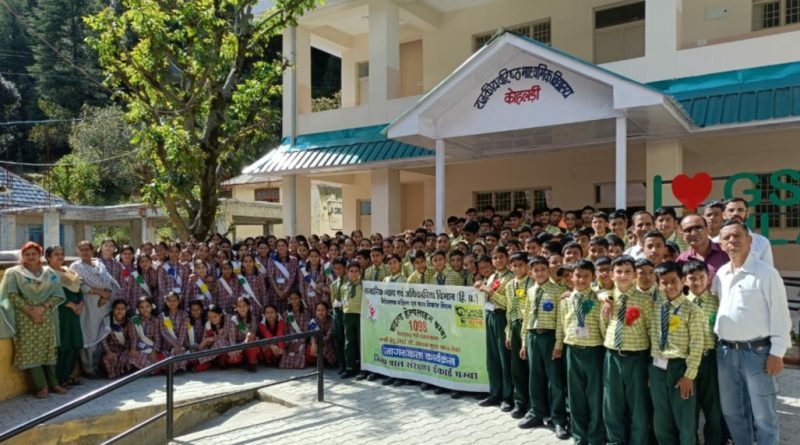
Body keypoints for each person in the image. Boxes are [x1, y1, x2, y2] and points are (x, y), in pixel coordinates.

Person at [713, 220, 791, 445]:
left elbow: (780, 313)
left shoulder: (766, 273)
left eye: (737, 236)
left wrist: (777, 352)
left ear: (749, 240)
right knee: (732, 412)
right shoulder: (721, 274)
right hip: (725, 353)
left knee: (763, 416)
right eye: (726, 238)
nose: (732, 241)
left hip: (757, 353)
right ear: (722, 245)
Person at [0, 242, 67, 399]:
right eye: (27, 254)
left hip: (45, 316)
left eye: (34, 254)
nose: (30, 257)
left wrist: (42, 308)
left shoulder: (49, 273)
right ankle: (41, 386)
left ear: (40, 256)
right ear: (22, 256)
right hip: (25, 318)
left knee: (48, 349)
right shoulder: (14, 273)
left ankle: (54, 383)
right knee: (30, 351)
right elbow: (12, 294)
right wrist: (30, 311)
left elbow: (58, 294)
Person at [649, 261, 704, 445]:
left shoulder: (692, 310)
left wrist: (689, 376)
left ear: (683, 281)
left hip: (680, 368)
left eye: (673, 281)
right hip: (657, 367)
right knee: (661, 419)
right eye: (664, 282)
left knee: (685, 419)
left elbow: (697, 345)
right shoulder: (655, 306)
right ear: (658, 284)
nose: (669, 286)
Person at [602, 255, 653, 445]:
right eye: (619, 272)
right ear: (612, 275)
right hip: (612, 356)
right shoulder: (607, 297)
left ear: (634, 275)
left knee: (637, 404)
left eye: (628, 272)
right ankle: (615, 441)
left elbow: (651, 330)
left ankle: (638, 441)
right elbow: (603, 324)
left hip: (636, 357)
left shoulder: (644, 299)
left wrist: (651, 361)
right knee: (612, 402)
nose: (623, 276)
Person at [554, 259, 605, 444]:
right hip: (572, 351)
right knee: (575, 396)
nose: (581, 280)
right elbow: (561, 324)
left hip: (594, 351)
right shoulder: (566, 300)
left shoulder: (599, 299)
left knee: (595, 396)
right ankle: (579, 436)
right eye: (578, 276)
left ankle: (595, 436)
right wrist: (558, 346)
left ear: (593, 277)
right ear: (571, 277)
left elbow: (603, 326)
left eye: (586, 276)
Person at [518, 255, 568, 435]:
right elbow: (526, 317)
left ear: (548, 270)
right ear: (530, 272)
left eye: (543, 269)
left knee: (555, 381)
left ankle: (558, 419)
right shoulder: (531, 291)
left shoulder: (557, 291)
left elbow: (561, 321)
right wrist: (524, 342)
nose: (539, 273)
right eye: (536, 270)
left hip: (550, 337)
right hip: (533, 337)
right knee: (535, 378)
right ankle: (537, 413)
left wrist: (558, 344)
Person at [684, 260, 724, 445]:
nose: (697, 282)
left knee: (713, 407)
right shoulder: (682, 303)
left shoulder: (718, 302)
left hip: (710, 360)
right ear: (684, 280)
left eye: (701, 277)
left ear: (708, 278)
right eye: (692, 278)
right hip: (687, 362)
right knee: (689, 407)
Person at [71, 240, 119, 379]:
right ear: (77, 251)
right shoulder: (76, 266)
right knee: (89, 335)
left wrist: (106, 296)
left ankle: (98, 366)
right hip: (89, 306)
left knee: (101, 336)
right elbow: (80, 285)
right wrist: (100, 292)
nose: (85, 252)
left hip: (103, 306)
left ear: (92, 250)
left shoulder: (99, 264)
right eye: (81, 249)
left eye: (87, 249)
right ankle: (89, 368)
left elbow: (109, 281)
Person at [476, 246, 514, 411]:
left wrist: (490, 291)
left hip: (502, 317)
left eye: (501, 257)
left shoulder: (510, 278)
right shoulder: (492, 276)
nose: (498, 260)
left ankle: (508, 396)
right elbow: (487, 295)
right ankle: (495, 392)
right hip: (490, 316)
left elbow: (508, 303)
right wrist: (482, 286)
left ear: (507, 258)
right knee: (492, 357)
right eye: (495, 258)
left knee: (504, 357)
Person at [45, 246, 84, 387]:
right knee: (63, 344)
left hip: (74, 314)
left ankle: (68, 375)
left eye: (62, 254)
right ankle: (59, 378)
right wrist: (70, 305)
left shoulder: (69, 272)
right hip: (60, 313)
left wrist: (80, 303)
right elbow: (49, 293)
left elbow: (78, 289)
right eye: (56, 254)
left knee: (75, 343)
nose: (60, 256)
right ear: (48, 257)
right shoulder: (47, 273)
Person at [504, 252, 532, 419]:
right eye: (514, 265)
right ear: (510, 267)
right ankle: (519, 402)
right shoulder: (509, 285)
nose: (517, 268)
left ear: (527, 266)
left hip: (528, 326)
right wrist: (508, 332)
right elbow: (509, 309)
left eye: (520, 265)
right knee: (517, 367)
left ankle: (532, 405)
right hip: (515, 325)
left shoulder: (532, 283)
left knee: (531, 367)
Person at [719, 197, 774, 266]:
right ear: (724, 215)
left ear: (747, 214)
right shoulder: (715, 242)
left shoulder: (762, 242)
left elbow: (767, 270)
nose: (736, 213)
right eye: (731, 210)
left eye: (740, 210)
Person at [676, 214, 729, 285]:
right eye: (688, 230)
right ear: (682, 235)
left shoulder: (725, 251)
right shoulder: (682, 259)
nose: (694, 233)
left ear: (707, 230)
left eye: (698, 228)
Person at [193, 304, 234, 372]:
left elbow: (226, 336)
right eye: (210, 317)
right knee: (197, 347)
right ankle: (205, 361)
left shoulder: (228, 319)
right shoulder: (208, 324)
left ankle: (201, 360)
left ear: (220, 314)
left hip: (229, 347)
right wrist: (204, 343)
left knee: (220, 342)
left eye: (215, 316)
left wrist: (211, 339)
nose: (212, 319)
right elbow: (203, 342)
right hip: (213, 349)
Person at [340, 261, 364, 379]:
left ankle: (363, 368)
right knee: (349, 342)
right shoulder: (344, 287)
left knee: (361, 341)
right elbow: (343, 301)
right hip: (348, 316)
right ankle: (350, 367)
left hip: (360, 316)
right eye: (351, 271)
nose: (354, 274)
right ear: (347, 272)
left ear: (360, 272)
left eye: (356, 271)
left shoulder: (363, 286)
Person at [128, 296, 163, 371]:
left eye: (147, 306)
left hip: (152, 348)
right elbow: (133, 338)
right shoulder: (134, 320)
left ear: (151, 307)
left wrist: (154, 351)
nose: (145, 309)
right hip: (139, 348)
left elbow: (158, 338)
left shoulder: (155, 320)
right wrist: (133, 349)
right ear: (138, 309)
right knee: (131, 357)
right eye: (142, 307)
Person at [228, 296, 261, 373]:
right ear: (236, 308)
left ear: (248, 307)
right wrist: (234, 349)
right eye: (239, 306)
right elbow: (232, 338)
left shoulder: (252, 318)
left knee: (251, 338)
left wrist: (246, 340)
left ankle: (252, 363)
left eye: (244, 305)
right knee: (234, 358)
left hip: (249, 344)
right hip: (238, 345)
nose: (242, 308)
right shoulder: (233, 320)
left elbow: (252, 335)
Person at [159, 291, 189, 372]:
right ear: (165, 301)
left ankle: (180, 368)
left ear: (179, 301)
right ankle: (175, 368)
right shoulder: (162, 316)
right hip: (167, 345)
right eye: (169, 300)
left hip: (181, 344)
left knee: (180, 352)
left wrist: (178, 345)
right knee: (168, 355)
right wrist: (174, 345)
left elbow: (183, 331)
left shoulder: (184, 314)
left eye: (174, 300)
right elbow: (164, 333)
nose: (172, 303)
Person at [266, 239, 298, 312]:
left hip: (289, 293)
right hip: (274, 292)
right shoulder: (271, 259)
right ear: (276, 248)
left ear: (287, 247)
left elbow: (293, 277)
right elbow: (270, 276)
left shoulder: (293, 260)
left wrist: (285, 292)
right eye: (279, 246)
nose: (281, 247)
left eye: (283, 245)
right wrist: (278, 292)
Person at [280, 292, 310, 369]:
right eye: (292, 299)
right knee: (288, 353)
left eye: (296, 298)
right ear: (289, 300)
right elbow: (285, 329)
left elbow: (306, 329)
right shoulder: (286, 314)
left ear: (300, 299)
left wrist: (301, 341)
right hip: (290, 339)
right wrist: (289, 341)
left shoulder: (306, 313)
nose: (294, 301)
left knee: (301, 352)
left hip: (302, 338)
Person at [102, 299, 131, 379]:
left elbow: (132, 338)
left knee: (128, 359)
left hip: (125, 349)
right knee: (107, 359)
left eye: (123, 309)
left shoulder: (129, 322)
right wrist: (108, 352)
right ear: (113, 309)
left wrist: (126, 351)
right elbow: (103, 339)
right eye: (117, 308)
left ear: (126, 310)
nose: (120, 311)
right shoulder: (107, 321)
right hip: (111, 350)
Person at [329, 257, 348, 376]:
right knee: (338, 341)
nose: (338, 271)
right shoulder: (333, 284)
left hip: (347, 314)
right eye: (335, 268)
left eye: (340, 268)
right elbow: (333, 301)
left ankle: (350, 365)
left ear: (345, 268)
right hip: (337, 315)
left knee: (348, 341)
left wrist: (341, 304)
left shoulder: (350, 282)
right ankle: (342, 364)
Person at [308, 301, 336, 366]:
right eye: (318, 310)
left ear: (327, 311)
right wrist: (314, 343)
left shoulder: (331, 320)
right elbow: (312, 335)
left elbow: (328, 337)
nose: (320, 312)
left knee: (326, 345)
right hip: (317, 343)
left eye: (323, 310)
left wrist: (317, 342)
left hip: (329, 342)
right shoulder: (313, 321)